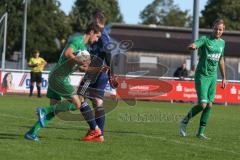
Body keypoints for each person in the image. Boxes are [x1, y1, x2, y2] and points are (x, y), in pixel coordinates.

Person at [24, 23, 102, 141]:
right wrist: (79, 61)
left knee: (55, 109)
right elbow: (67, 53)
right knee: (77, 103)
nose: (97, 40)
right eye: (97, 36)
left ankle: (31, 133)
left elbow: (80, 65)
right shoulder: (78, 41)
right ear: (91, 32)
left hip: (57, 76)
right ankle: (44, 110)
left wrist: (91, 68)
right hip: (59, 77)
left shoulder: (84, 49)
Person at [179, 19, 226, 139]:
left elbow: (221, 60)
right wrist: (193, 46)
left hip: (213, 77)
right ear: (212, 28)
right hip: (202, 76)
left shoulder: (222, 43)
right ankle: (185, 120)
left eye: (220, 29)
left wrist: (224, 77)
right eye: (216, 28)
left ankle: (200, 133)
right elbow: (196, 44)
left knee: (209, 105)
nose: (218, 31)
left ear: (223, 30)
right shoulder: (205, 39)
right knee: (203, 104)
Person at [78, 10, 118, 143]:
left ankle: (95, 129)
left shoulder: (102, 34)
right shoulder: (99, 33)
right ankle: (99, 135)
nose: (91, 21)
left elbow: (108, 53)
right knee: (97, 101)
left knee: (79, 97)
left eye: (92, 19)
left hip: (94, 72)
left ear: (96, 19)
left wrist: (112, 73)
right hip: (100, 72)